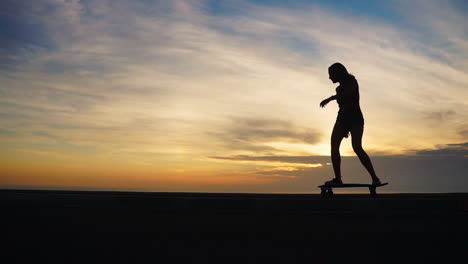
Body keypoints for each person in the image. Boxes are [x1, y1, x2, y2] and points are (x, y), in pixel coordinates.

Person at [320, 62, 381, 185]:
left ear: (338, 73)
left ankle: (375, 178)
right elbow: (342, 103)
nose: (329, 77)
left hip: (355, 118)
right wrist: (344, 128)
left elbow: (345, 94)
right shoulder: (337, 88)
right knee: (334, 145)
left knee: (357, 147)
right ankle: (338, 179)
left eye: (331, 74)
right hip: (342, 119)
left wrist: (330, 98)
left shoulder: (352, 82)